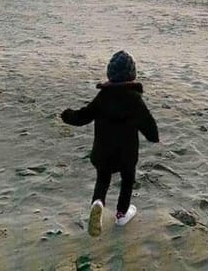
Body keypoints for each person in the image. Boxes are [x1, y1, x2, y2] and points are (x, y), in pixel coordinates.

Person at [60, 50, 159, 236]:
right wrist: (153, 137)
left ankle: (97, 203)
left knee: (103, 179)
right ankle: (121, 215)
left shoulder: (103, 97)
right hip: (126, 155)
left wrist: (68, 115)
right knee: (127, 180)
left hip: (103, 152)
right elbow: (148, 124)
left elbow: (83, 116)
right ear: (132, 75)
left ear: (110, 74)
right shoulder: (134, 99)